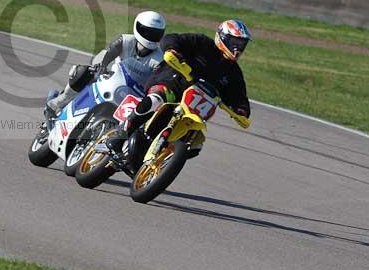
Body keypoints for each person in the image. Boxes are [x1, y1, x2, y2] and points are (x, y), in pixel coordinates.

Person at [105, 19, 252, 167]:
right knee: (155, 100)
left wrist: (242, 109)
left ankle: (160, 163)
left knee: (196, 144)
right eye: (235, 43)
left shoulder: (234, 72)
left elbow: (239, 95)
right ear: (222, 37)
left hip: (194, 106)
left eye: (242, 45)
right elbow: (172, 39)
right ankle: (120, 134)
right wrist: (172, 49)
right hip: (171, 83)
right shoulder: (202, 43)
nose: (237, 49)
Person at [45, 11, 167, 119]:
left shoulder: (159, 59)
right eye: (146, 31)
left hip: (135, 95)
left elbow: (157, 81)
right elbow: (106, 54)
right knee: (83, 72)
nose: (150, 37)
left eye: (155, 34)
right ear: (137, 27)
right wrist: (100, 66)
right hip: (113, 79)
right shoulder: (125, 40)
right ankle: (59, 102)